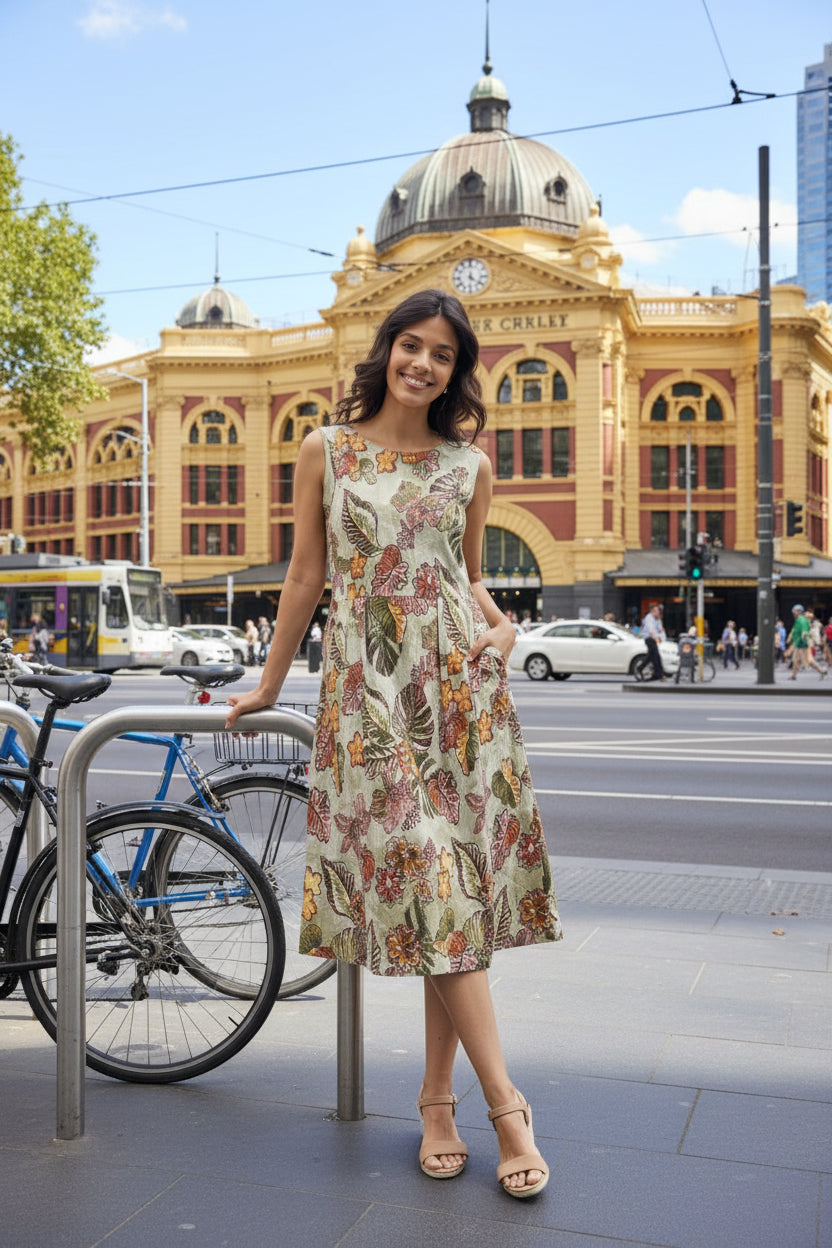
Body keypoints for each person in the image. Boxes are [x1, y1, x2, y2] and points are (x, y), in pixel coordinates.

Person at [226, 288, 561, 1198]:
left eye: (442, 355)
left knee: (446, 895)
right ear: (387, 351)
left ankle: (437, 1099)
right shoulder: (324, 449)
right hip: (368, 695)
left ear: (457, 371)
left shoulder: (468, 463)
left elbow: (464, 574)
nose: (423, 364)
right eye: (411, 346)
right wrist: (268, 680)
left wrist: (504, 629)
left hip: (459, 690)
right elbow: (306, 572)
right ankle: (507, 1105)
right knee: (431, 880)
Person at [788, 604, 825, 680]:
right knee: (796, 660)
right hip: (799, 643)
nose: (793, 613)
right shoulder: (799, 620)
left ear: (798, 611)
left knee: (808, 660)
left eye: (794, 611)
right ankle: (793, 676)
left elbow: (804, 632)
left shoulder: (801, 620)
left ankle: (821, 671)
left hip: (802, 643)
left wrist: (803, 642)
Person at [640, 604, 666, 681]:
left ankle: (657, 674)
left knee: (653, 657)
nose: (659, 613)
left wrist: (662, 638)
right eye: (657, 611)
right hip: (649, 639)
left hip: (653, 639)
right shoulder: (649, 618)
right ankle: (659, 675)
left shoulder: (657, 619)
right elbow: (651, 630)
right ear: (653, 611)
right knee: (654, 656)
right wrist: (657, 638)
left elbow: (661, 629)